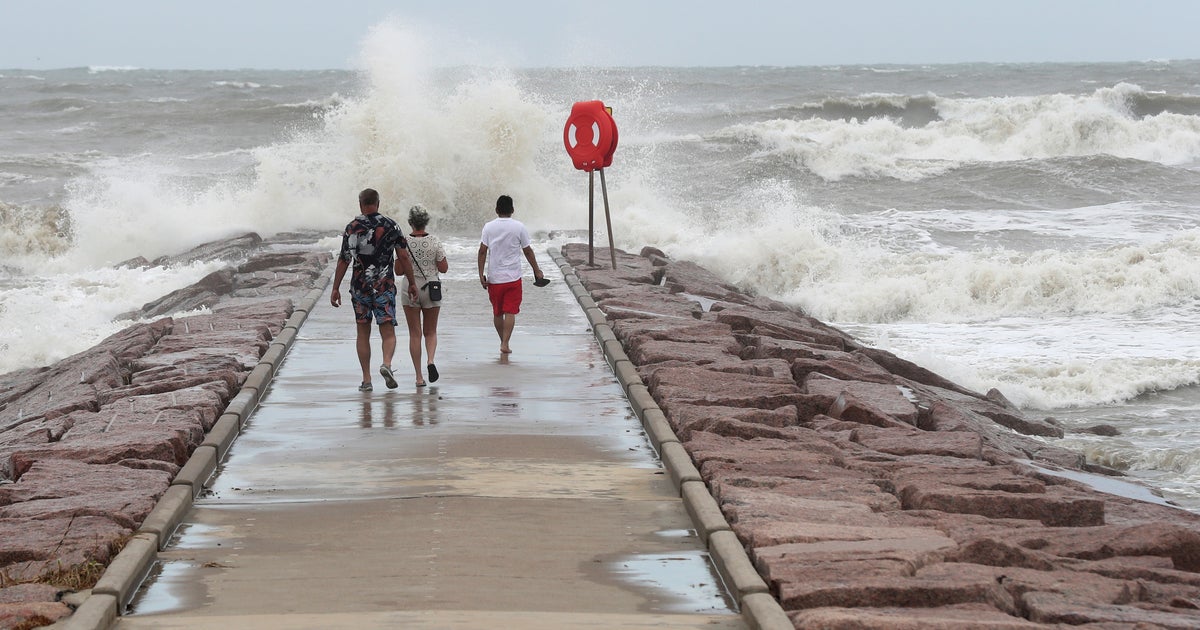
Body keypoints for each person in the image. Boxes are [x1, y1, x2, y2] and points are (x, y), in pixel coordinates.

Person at [330, 188, 418, 391]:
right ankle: (386, 363)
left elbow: (344, 260)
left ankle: (366, 379)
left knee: (363, 332)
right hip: (384, 287)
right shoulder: (391, 225)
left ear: (360, 204)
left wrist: (335, 288)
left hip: (360, 288)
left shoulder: (352, 227)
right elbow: (403, 257)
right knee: (387, 331)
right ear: (378, 203)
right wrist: (412, 282)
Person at [477, 194, 545, 354]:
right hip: (513, 278)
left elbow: (482, 252)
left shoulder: (488, 227)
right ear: (512, 210)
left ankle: (503, 341)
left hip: (494, 278)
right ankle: (505, 343)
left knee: (498, 312)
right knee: (510, 311)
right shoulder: (519, 227)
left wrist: (481, 274)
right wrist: (537, 270)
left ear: (496, 210)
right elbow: (527, 251)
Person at [400, 205, 448, 386]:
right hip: (431, 288)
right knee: (430, 331)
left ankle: (419, 377)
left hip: (410, 288)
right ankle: (430, 360)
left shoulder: (403, 241)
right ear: (426, 221)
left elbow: (398, 270)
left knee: (415, 334)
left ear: (410, 222)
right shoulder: (434, 241)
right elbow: (443, 268)